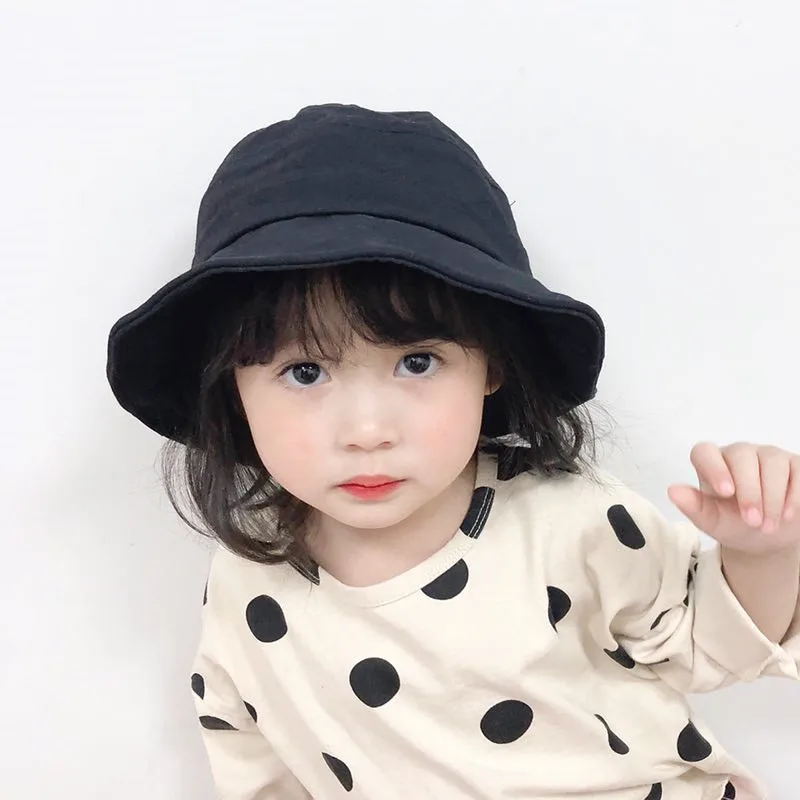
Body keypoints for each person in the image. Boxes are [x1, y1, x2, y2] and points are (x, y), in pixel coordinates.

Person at [106, 103, 799, 800]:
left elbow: (711, 647)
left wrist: (762, 556)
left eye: (417, 362)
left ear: (491, 363)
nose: (368, 430)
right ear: (232, 389)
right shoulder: (250, 578)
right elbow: (252, 750)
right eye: (305, 372)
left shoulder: (573, 522)